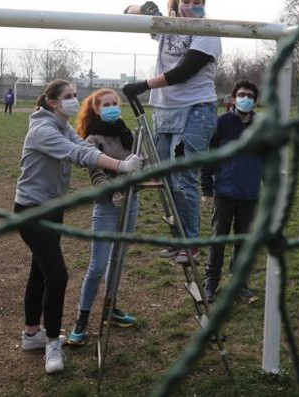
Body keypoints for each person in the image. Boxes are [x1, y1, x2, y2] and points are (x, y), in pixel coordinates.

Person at [14, 79, 144, 374]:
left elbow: (82, 145)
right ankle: (51, 344)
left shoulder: (62, 126)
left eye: (76, 95)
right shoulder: (43, 130)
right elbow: (80, 155)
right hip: (31, 210)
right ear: (53, 103)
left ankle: (31, 334)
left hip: (52, 208)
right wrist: (121, 166)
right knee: (57, 276)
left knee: (40, 272)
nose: (75, 100)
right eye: (69, 96)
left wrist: (124, 155)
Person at [123, 0, 222, 264]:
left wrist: (143, 84)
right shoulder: (168, 26)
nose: (193, 7)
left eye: (198, 2)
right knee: (166, 179)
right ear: (176, 4)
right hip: (164, 111)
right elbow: (127, 13)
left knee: (184, 179)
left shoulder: (208, 30)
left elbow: (183, 71)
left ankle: (191, 243)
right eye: (187, 1)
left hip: (195, 110)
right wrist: (147, 9)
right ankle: (178, 239)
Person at [67, 88, 141, 346]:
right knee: (97, 265)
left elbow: (141, 164)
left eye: (115, 103)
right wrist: (112, 192)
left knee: (118, 260)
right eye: (106, 104)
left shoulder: (127, 134)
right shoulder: (91, 140)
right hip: (108, 206)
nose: (112, 107)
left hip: (131, 204)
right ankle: (82, 319)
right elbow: (96, 174)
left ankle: (111, 308)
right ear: (97, 109)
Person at [200, 80, 262, 301]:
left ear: (255, 101)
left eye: (250, 96)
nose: (246, 99)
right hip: (224, 194)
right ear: (233, 98)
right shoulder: (221, 123)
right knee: (218, 241)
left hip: (251, 196)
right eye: (242, 95)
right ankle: (211, 284)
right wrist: (206, 189)